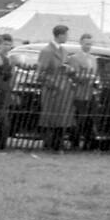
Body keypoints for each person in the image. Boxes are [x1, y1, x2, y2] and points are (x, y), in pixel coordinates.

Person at [37, 23, 75, 151]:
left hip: (64, 90)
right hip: (52, 91)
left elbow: (67, 66)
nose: (67, 37)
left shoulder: (64, 51)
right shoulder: (47, 51)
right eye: (66, 34)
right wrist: (53, 84)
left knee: (61, 119)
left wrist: (69, 69)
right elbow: (40, 73)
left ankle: (59, 143)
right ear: (60, 35)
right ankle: (50, 144)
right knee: (51, 119)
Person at [69, 33, 99, 150]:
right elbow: (75, 75)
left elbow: (96, 74)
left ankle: (88, 143)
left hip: (91, 92)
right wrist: (88, 77)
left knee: (89, 119)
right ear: (81, 43)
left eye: (90, 44)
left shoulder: (93, 59)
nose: (88, 46)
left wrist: (94, 79)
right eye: (86, 44)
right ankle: (75, 142)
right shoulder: (75, 58)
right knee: (78, 119)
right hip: (79, 93)